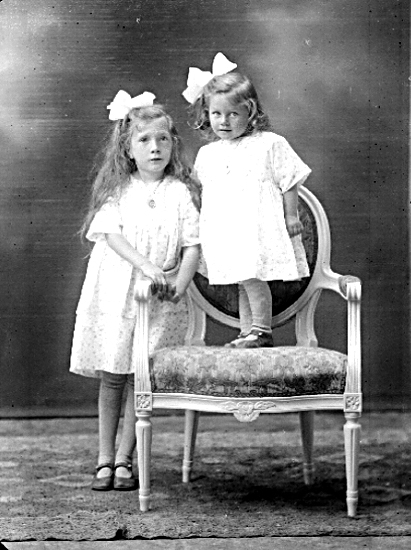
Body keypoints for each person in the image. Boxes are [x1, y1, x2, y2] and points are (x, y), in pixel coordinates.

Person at [70, 90, 200, 491]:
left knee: (140, 379)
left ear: (173, 144)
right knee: (113, 374)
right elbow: (111, 236)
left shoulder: (179, 192)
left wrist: (179, 284)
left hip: (159, 299)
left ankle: (126, 458)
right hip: (117, 290)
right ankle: (104, 458)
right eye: (144, 140)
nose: (155, 147)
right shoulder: (119, 190)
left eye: (162, 139)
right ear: (128, 149)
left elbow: (193, 244)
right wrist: (146, 266)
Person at [182, 52, 311, 349]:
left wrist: (291, 215)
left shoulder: (269, 144)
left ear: (250, 111)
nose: (224, 121)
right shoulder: (208, 154)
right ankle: (246, 332)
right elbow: (200, 192)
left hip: (256, 230)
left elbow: (290, 180)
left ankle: (261, 331)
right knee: (243, 280)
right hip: (227, 232)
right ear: (206, 114)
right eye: (216, 114)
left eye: (233, 114)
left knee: (252, 278)